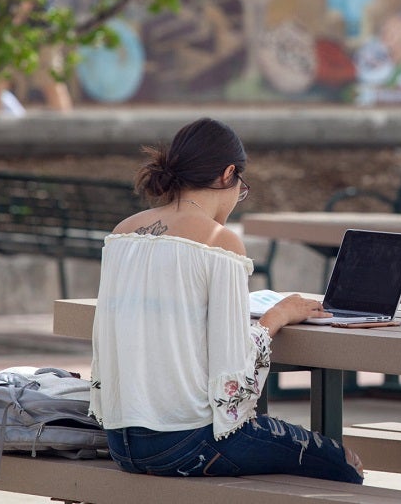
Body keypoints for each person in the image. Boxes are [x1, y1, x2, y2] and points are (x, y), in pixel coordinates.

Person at [89, 117, 364, 484]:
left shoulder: (122, 233)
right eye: (241, 187)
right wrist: (276, 317)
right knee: (341, 464)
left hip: (121, 443)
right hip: (187, 441)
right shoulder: (219, 242)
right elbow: (231, 373)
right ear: (228, 174)